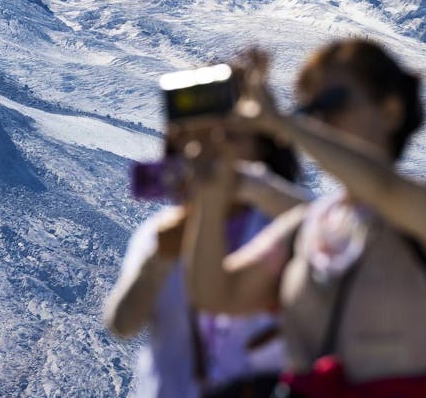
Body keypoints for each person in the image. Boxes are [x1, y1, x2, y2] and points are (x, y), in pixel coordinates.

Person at [182, 40, 426, 397]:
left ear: (391, 111)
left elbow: (382, 188)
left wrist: (282, 122)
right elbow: (216, 293)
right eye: (310, 111)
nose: (320, 121)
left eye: (332, 103)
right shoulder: (308, 226)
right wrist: (211, 196)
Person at [104, 128, 309, 398]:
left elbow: (325, 221)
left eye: (229, 136)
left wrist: (249, 184)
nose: (201, 152)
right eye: (189, 139)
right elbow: (122, 324)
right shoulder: (160, 232)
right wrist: (158, 260)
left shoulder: (283, 226)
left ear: (264, 148)